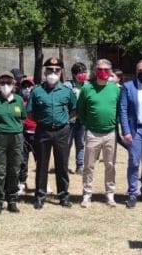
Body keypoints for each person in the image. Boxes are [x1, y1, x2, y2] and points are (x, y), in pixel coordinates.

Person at [29, 56, 78, 209]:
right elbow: (30, 112)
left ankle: (63, 196)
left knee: (62, 165)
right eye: (50, 70)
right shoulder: (37, 91)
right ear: (45, 72)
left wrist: (62, 120)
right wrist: (43, 121)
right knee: (42, 165)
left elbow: (74, 110)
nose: (53, 73)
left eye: (56, 70)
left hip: (62, 131)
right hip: (43, 131)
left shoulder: (67, 91)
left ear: (61, 73)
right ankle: (40, 196)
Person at [78, 60, 122, 208]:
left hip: (110, 133)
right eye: (100, 69)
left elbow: (119, 109)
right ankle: (87, 194)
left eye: (106, 69)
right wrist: (88, 125)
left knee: (110, 165)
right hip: (92, 133)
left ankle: (110, 194)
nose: (103, 72)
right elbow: (81, 110)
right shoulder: (87, 89)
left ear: (110, 72)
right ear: (95, 71)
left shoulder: (116, 89)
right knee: (89, 166)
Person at [0, 72, 26, 214]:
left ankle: (12, 201)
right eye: (2, 83)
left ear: (14, 85)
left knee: (14, 169)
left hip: (16, 137)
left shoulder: (19, 100)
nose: (5, 86)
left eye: (8, 83)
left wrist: (16, 130)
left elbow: (22, 118)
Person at [68, 62, 90, 174]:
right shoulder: (67, 86)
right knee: (67, 144)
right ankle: (64, 165)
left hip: (82, 120)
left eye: (84, 72)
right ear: (74, 74)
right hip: (69, 120)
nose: (83, 75)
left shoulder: (88, 86)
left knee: (81, 143)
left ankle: (80, 166)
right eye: (80, 73)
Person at [17, 77, 36, 195]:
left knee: (40, 160)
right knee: (22, 160)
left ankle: (42, 183)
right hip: (23, 134)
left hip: (37, 133)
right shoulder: (18, 101)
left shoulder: (37, 99)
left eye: (29, 86)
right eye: (24, 86)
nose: (27, 89)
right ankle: (22, 183)